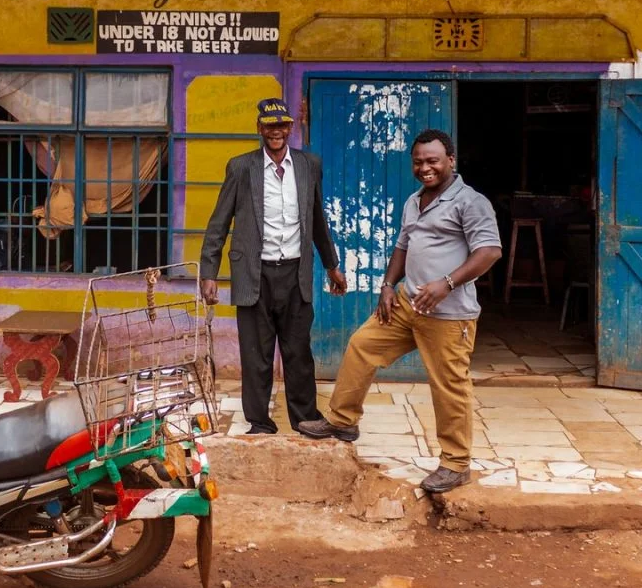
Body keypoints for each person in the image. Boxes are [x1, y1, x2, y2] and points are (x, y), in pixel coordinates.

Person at [298, 129, 502, 494]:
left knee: (449, 386)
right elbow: (402, 246)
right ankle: (343, 421)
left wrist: (447, 283)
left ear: (450, 161)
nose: (426, 168)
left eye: (433, 161)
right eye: (419, 161)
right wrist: (388, 285)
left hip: (449, 314)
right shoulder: (414, 201)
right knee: (362, 345)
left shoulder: (471, 202)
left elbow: (489, 251)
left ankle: (456, 463)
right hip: (409, 303)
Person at [200, 97, 347, 434]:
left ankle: (305, 418)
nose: (276, 132)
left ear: (290, 128)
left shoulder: (309, 165)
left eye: (282, 125)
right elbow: (218, 222)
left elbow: (317, 219)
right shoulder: (241, 167)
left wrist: (331, 264)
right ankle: (259, 423)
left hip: (296, 272)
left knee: (298, 351)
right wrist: (209, 272)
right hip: (255, 275)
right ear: (260, 129)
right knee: (256, 355)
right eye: (270, 126)